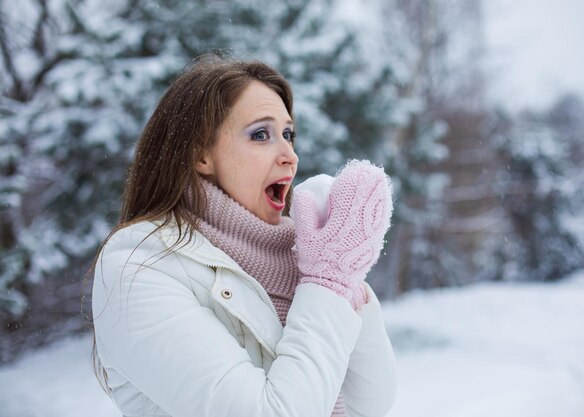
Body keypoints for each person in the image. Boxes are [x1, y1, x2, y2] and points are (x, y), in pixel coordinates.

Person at [91, 56, 396, 417]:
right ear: (200, 154)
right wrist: (329, 282)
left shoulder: (303, 258)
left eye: (289, 134)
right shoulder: (140, 267)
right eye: (261, 134)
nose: (290, 156)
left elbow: (371, 405)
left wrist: (347, 275)